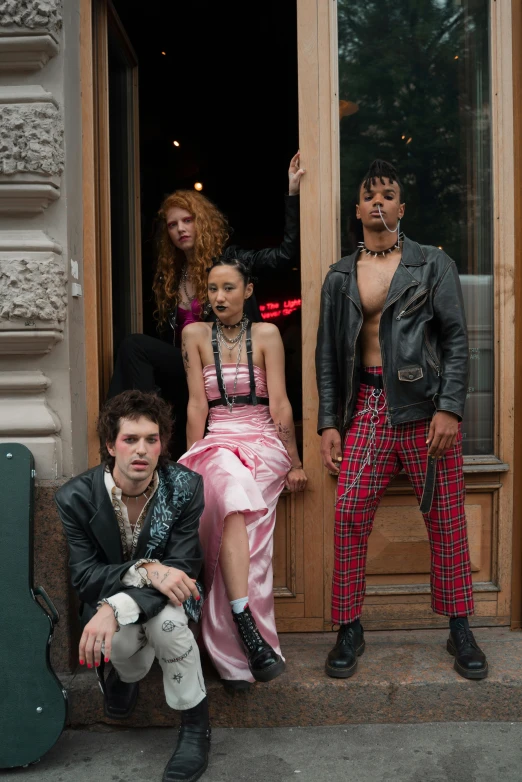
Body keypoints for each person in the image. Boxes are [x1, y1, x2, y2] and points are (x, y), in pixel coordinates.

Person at [316, 159, 488, 681]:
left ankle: (460, 626)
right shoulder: (340, 275)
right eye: (369, 194)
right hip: (366, 407)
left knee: (447, 520)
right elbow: (327, 354)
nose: (378, 202)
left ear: (401, 207)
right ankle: (349, 626)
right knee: (348, 515)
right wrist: (328, 422)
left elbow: (456, 340)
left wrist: (450, 408)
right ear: (357, 208)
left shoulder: (432, 264)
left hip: (424, 411)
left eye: (387, 194)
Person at [55, 391, 210, 782]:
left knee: (168, 626)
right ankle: (125, 677)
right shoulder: (75, 498)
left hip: (171, 599)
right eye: (130, 439)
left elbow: (182, 569)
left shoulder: (185, 487)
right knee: (120, 644)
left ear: (162, 445)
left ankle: (195, 724)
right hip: (117, 601)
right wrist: (144, 569)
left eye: (151, 439)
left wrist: (114, 607)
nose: (141, 450)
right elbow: (85, 576)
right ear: (111, 445)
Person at [108, 153, 305, 456]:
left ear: (203, 223)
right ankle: (132, 435)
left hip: (229, 363)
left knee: (134, 346)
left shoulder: (231, 262)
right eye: (173, 225)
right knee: (133, 350)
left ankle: (143, 430)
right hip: (190, 369)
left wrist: (293, 193)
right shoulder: (171, 276)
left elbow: (286, 255)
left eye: (188, 220)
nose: (180, 229)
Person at [178, 257, 307, 691]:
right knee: (228, 489)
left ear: (248, 291)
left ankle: (244, 653)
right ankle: (242, 643)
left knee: (249, 551)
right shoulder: (193, 335)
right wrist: (191, 462)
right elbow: (197, 404)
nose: (218, 297)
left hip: (263, 444)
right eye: (212, 289)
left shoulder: (267, 334)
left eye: (229, 288)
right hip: (216, 442)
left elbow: (281, 404)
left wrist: (295, 460)